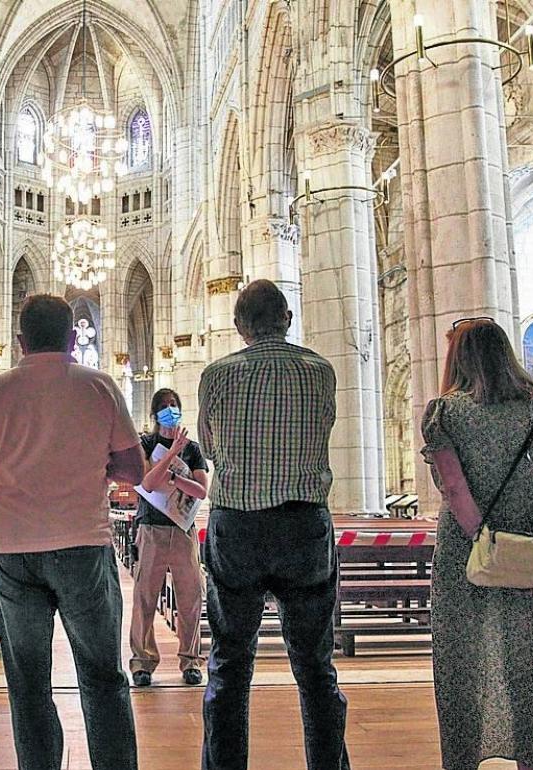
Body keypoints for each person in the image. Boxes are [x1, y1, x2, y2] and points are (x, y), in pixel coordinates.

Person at [0, 294, 144, 770]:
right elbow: (134, 470)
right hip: (83, 543)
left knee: (28, 684)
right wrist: (90, 465)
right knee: (103, 678)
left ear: (21, 340)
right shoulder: (99, 386)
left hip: (14, 548)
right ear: (71, 338)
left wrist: (15, 467)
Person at [421, 318, 533, 770]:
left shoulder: (443, 413)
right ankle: (532, 759)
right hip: (526, 549)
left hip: (464, 552)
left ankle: (463, 760)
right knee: (528, 662)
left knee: (462, 661)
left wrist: (483, 540)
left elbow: (455, 488)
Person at [197, 279, 350, 770]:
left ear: (239, 326)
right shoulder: (320, 371)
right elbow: (323, 430)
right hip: (304, 526)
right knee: (315, 667)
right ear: (287, 318)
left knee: (229, 665)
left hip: (237, 528)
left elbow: (211, 450)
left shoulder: (217, 375)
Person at [129, 388, 209, 687]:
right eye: (163, 406)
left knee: (190, 596)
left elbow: (201, 490)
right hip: (152, 528)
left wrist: (174, 477)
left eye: (173, 404)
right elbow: (148, 483)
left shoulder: (194, 449)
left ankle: (190, 660)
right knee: (145, 597)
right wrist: (172, 453)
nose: (169, 409)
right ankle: (143, 662)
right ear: (154, 413)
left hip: (183, 530)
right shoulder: (146, 443)